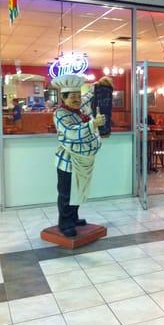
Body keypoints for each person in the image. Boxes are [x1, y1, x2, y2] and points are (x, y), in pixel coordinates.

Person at [52, 75, 105, 237]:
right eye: (72, 97)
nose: (76, 99)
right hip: (68, 161)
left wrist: (99, 85)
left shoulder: (79, 109)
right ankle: (65, 223)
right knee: (66, 192)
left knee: (78, 190)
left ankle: (73, 218)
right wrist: (93, 124)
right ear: (64, 98)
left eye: (77, 96)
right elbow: (72, 132)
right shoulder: (60, 114)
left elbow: (89, 96)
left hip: (83, 161)